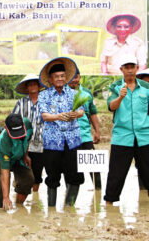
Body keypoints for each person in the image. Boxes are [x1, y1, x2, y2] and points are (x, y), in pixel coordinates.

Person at [38, 57, 85, 207]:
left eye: (62, 76)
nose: (60, 79)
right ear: (51, 79)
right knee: (52, 176)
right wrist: (58, 116)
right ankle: (51, 210)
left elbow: (81, 111)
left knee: (75, 175)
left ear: (66, 77)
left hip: (72, 141)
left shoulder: (73, 93)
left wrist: (75, 114)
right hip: (52, 142)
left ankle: (69, 207)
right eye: (56, 76)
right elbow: (44, 115)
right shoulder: (43, 95)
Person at [104, 56, 149, 204]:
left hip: (144, 136)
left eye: (132, 67)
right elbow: (111, 107)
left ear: (137, 68)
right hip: (122, 136)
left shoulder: (146, 87)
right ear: (121, 69)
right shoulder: (115, 87)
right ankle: (110, 204)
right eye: (126, 67)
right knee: (116, 173)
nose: (130, 70)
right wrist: (120, 98)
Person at [0, 113, 34, 210]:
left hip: (18, 155)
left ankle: (19, 206)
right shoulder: (5, 142)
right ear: (6, 128)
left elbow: (27, 139)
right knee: (2, 182)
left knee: (28, 178)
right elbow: (5, 172)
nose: (18, 136)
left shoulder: (28, 124)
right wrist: (6, 197)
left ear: (23, 125)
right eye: (15, 134)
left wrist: (25, 155)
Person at [68, 69, 101, 189]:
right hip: (69, 138)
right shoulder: (61, 93)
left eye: (76, 77)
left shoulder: (86, 93)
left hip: (85, 136)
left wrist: (97, 131)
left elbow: (93, 113)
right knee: (71, 169)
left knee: (94, 167)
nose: (73, 80)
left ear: (80, 77)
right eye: (70, 77)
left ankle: (98, 192)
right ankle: (71, 199)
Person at [12, 74, 44, 192]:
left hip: (41, 144)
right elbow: (13, 121)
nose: (33, 86)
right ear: (26, 88)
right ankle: (20, 193)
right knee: (22, 174)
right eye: (30, 84)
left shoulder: (45, 101)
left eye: (35, 83)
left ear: (39, 86)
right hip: (24, 144)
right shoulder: (21, 103)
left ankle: (34, 199)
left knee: (37, 174)